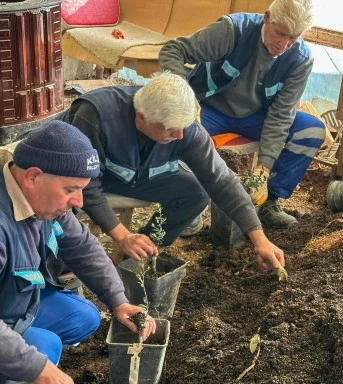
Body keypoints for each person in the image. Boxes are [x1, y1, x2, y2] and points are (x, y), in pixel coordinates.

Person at [56, 72, 285, 273]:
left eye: (183, 128)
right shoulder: (95, 115)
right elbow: (85, 184)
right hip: (79, 176)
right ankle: (62, 263)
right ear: (142, 117)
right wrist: (122, 235)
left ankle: (144, 249)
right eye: (171, 130)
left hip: (133, 174)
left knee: (195, 191)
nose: (180, 136)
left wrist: (259, 238)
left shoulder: (185, 129)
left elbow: (221, 180)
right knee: (62, 207)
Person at [0, 121, 155, 384]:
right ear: (33, 176)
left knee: (83, 317)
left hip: (16, 301)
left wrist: (119, 301)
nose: (79, 202)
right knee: (44, 347)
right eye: (70, 190)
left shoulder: (44, 202)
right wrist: (38, 368)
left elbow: (83, 247)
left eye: (82, 189)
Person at [159, 0, 327, 229]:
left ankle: (268, 201)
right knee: (173, 128)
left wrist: (263, 168)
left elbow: (281, 115)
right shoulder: (232, 30)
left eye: (293, 38)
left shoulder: (300, 59)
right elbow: (173, 50)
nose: (284, 44)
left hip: (256, 117)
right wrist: (184, 96)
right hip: (209, 108)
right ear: (267, 17)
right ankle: (187, 202)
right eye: (280, 33)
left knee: (311, 131)